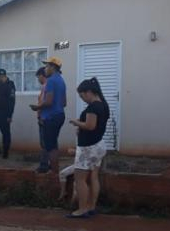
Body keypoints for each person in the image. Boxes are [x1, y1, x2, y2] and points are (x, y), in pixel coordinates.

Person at [65, 77, 111, 218]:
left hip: (88, 148)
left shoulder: (93, 107)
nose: (83, 99)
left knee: (80, 178)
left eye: (82, 95)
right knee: (94, 177)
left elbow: (90, 126)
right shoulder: (103, 105)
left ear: (89, 92)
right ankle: (91, 207)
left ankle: (82, 209)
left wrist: (76, 122)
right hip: (98, 145)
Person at [30, 57, 66, 174]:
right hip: (60, 115)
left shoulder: (50, 81)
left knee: (50, 147)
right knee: (53, 144)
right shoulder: (61, 80)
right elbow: (64, 103)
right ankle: (55, 169)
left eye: (47, 66)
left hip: (50, 118)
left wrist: (37, 107)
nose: (45, 69)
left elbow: (49, 102)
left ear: (52, 67)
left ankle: (54, 173)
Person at [33, 67, 50, 173]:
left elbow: (44, 103)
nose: (38, 79)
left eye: (38, 77)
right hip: (45, 117)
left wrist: (37, 109)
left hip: (44, 118)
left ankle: (44, 166)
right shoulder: (47, 86)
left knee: (44, 143)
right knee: (48, 142)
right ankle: (49, 164)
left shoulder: (46, 87)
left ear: (41, 76)